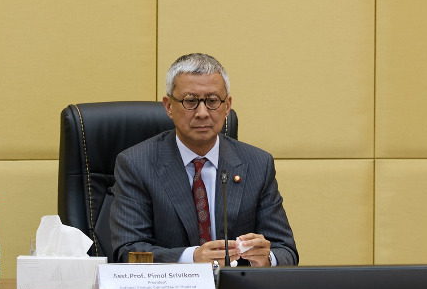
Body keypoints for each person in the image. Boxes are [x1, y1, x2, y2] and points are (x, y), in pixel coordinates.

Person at [96, 53, 298, 267]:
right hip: (170, 288)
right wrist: (192, 258)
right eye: (190, 101)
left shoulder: (257, 164)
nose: (202, 113)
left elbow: (286, 251)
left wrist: (266, 258)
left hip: (236, 287)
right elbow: (129, 251)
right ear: (169, 106)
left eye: (212, 101)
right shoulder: (136, 164)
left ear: (227, 106)